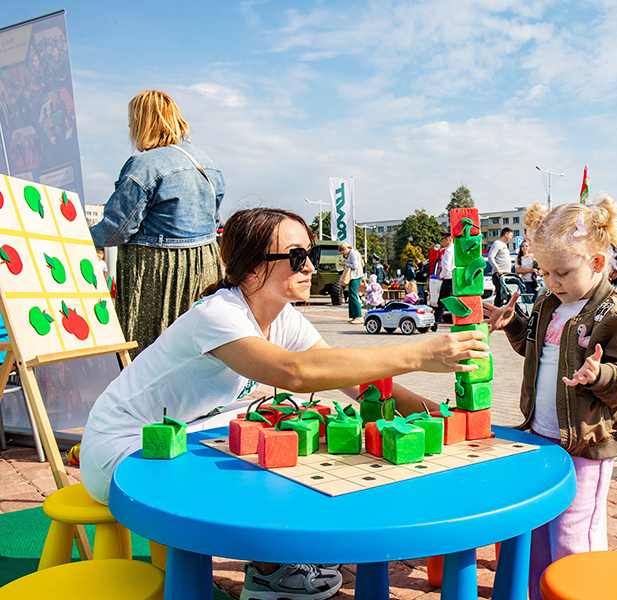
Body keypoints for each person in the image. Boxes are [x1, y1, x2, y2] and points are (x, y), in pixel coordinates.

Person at [79, 207, 488, 600]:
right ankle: (272, 571)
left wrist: (437, 415)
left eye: (310, 254)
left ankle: (276, 563)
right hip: (124, 449)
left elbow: (355, 383)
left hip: (189, 430)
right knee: (279, 440)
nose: (310, 266)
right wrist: (419, 355)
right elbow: (293, 372)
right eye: (296, 257)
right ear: (253, 266)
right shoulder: (218, 315)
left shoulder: (282, 316)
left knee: (303, 424)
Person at [484, 199, 617, 600]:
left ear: (597, 263)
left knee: (575, 531)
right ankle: (539, 592)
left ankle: (583, 591)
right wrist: (515, 325)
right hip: (540, 434)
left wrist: (602, 374)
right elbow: (536, 350)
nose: (551, 282)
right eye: (544, 272)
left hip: (586, 442)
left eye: (562, 272)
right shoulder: (549, 303)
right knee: (538, 527)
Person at [90, 91, 225, 358]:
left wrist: (76, 238)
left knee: (149, 351)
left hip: (159, 270)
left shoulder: (145, 165)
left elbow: (118, 227)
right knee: (193, 346)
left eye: (132, 122)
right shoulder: (208, 163)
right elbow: (214, 219)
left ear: (143, 123)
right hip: (205, 265)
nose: (130, 128)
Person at [431, 232, 453, 331]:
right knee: (455, 301)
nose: (442, 242)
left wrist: (440, 276)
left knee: (442, 302)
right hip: (456, 279)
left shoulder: (448, 251)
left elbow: (446, 267)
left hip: (448, 279)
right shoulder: (456, 249)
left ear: (447, 239)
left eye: (443, 240)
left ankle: (435, 323)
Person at [338, 243, 364, 324]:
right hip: (355, 276)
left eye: (342, 252)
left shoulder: (353, 253)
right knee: (351, 295)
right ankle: (354, 316)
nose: (343, 254)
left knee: (353, 295)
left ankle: (359, 316)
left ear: (345, 249)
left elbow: (355, 266)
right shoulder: (353, 253)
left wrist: (346, 264)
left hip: (355, 277)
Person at [488, 227, 513, 306]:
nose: (511, 237)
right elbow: (490, 257)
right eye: (510, 235)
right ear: (506, 234)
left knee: (507, 293)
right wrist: (497, 268)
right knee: (500, 294)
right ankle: (497, 310)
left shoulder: (504, 245)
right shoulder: (497, 243)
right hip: (499, 273)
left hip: (506, 273)